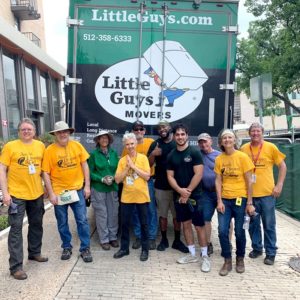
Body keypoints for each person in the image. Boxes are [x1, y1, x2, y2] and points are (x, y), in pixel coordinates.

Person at [0, 118, 48, 280]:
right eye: (23, 129)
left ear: (34, 132)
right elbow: (2, 170)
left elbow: (44, 170)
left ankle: (34, 253)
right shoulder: (10, 147)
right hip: (16, 195)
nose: (26, 132)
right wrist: (5, 193)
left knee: (37, 224)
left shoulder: (40, 146)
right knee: (15, 230)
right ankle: (16, 267)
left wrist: (48, 188)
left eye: (29, 129)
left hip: (36, 194)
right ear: (19, 132)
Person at [42, 121, 92, 263]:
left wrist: (87, 186)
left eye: (65, 131)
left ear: (69, 132)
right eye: (59, 132)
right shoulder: (49, 150)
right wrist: (51, 193)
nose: (62, 134)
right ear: (55, 135)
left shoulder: (77, 146)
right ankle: (66, 246)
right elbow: (45, 172)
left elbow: (85, 165)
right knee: (62, 222)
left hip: (77, 190)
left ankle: (85, 248)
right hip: (59, 193)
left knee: (82, 220)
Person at [167, 123, 211, 272]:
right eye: (177, 134)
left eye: (182, 134)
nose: (180, 137)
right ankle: (192, 254)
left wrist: (188, 191)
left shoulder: (194, 152)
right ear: (174, 136)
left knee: (199, 226)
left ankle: (205, 256)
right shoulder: (171, 155)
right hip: (179, 196)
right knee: (185, 225)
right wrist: (180, 191)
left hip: (195, 196)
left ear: (187, 136)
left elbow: (199, 173)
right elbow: (170, 176)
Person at [241, 122, 286, 265]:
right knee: (253, 223)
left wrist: (279, 184)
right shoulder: (243, 149)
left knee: (269, 224)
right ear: (249, 133)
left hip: (267, 194)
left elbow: (282, 166)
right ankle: (257, 248)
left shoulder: (270, 147)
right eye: (253, 131)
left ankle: (271, 253)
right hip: (250, 196)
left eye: (258, 131)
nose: (255, 134)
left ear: (262, 132)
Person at [214, 129, 255, 276]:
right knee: (222, 231)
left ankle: (240, 259)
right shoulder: (219, 159)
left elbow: (249, 182)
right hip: (225, 199)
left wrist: (249, 202)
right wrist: (219, 201)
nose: (227, 140)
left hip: (241, 199)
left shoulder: (243, 157)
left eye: (230, 137)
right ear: (221, 142)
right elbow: (218, 181)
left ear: (235, 140)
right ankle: (227, 260)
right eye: (224, 138)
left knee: (239, 231)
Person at [148, 120, 188, 253]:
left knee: (177, 216)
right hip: (160, 185)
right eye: (159, 128)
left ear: (169, 128)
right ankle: (164, 239)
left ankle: (177, 240)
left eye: (164, 127)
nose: (162, 130)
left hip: (177, 187)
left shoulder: (177, 143)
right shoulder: (156, 144)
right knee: (163, 215)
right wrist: (154, 154)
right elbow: (148, 164)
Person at [113, 132, 150, 262]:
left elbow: (147, 176)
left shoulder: (143, 158)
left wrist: (134, 167)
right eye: (127, 144)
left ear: (136, 143)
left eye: (132, 143)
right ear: (124, 145)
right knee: (125, 224)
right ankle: (124, 249)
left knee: (144, 224)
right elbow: (117, 180)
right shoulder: (122, 160)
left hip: (142, 196)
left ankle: (145, 249)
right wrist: (127, 168)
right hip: (127, 197)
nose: (130, 146)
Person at [121, 121, 158, 250]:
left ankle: (151, 237)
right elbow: (123, 164)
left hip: (148, 181)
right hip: (132, 181)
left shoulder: (151, 143)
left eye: (141, 129)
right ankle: (138, 236)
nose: (138, 132)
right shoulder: (127, 147)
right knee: (136, 211)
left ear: (144, 130)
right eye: (136, 129)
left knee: (151, 210)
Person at [88, 130, 119, 251]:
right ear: (98, 140)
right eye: (101, 138)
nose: (104, 140)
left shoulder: (114, 153)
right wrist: (101, 179)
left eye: (106, 138)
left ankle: (113, 237)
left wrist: (113, 177)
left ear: (109, 140)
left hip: (112, 187)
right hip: (99, 188)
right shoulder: (94, 155)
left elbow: (118, 168)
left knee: (113, 213)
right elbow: (89, 173)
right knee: (102, 214)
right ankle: (104, 239)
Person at [197, 133, 221, 256]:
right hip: (206, 193)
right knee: (206, 219)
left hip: (221, 193)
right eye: (201, 142)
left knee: (225, 220)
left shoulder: (219, 156)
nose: (203, 144)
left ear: (211, 141)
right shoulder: (198, 155)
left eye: (205, 141)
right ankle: (207, 244)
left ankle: (227, 243)